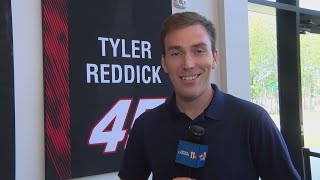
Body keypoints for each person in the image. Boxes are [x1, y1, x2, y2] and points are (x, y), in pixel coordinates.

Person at [118, 11, 301, 180]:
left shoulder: (253, 120)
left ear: (214, 58)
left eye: (198, 51)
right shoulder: (146, 125)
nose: (188, 63)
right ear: (164, 63)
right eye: (176, 53)